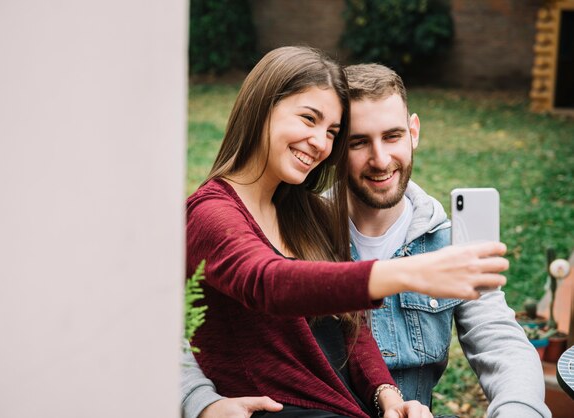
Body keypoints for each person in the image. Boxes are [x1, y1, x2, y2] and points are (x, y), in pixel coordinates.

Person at [184, 46, 508, 418]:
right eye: (309, 119)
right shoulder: (210, 213)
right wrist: (409, 273)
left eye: (333, 132)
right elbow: (269, 283)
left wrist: (387, 395)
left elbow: (352, 329)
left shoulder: (306, 213)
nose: (321, 143)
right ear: (261, 108)